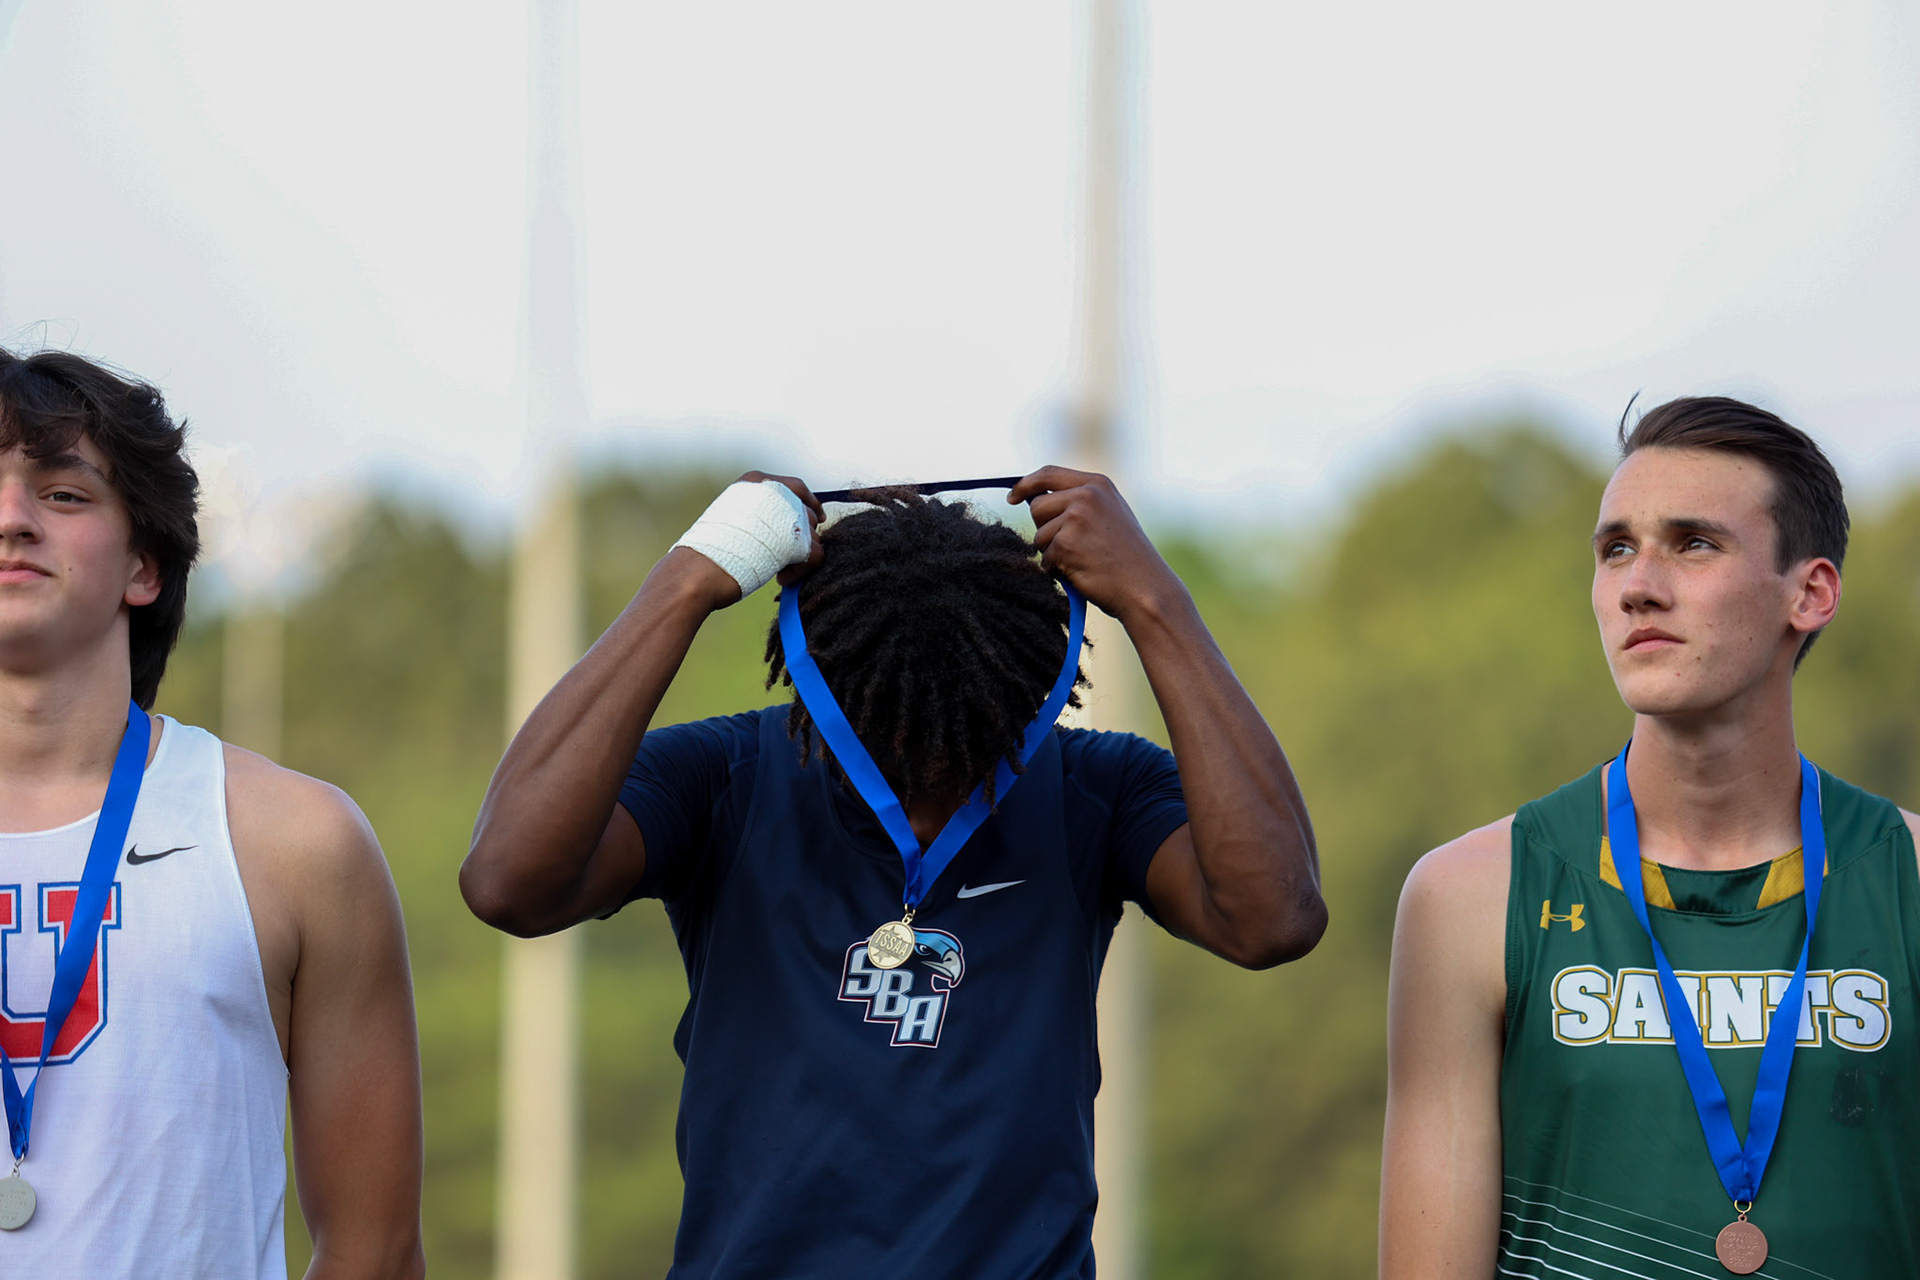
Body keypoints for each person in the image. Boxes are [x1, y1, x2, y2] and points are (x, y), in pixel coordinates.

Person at [462, 466, 1326, 1279]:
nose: (932, 778)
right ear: (820, 686)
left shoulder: (1098, 787)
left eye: (972, 744)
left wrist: (1156, 601)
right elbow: (508, 880)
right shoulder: (725, 777)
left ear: (1031, 692)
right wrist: (689, 580)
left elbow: (1273, 917)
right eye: (894, 739)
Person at [1380, 397, 1920, 1277]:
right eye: (1615, 549)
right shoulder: (1471, 895)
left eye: (1694, 543)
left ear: (1810, 593)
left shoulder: (1907, 880)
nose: (1637, 584)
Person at [0, 348, 425, 1278]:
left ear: (143, 566)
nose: (11, 519)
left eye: (63, 494)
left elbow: (376, 1248)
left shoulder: (296, 842)